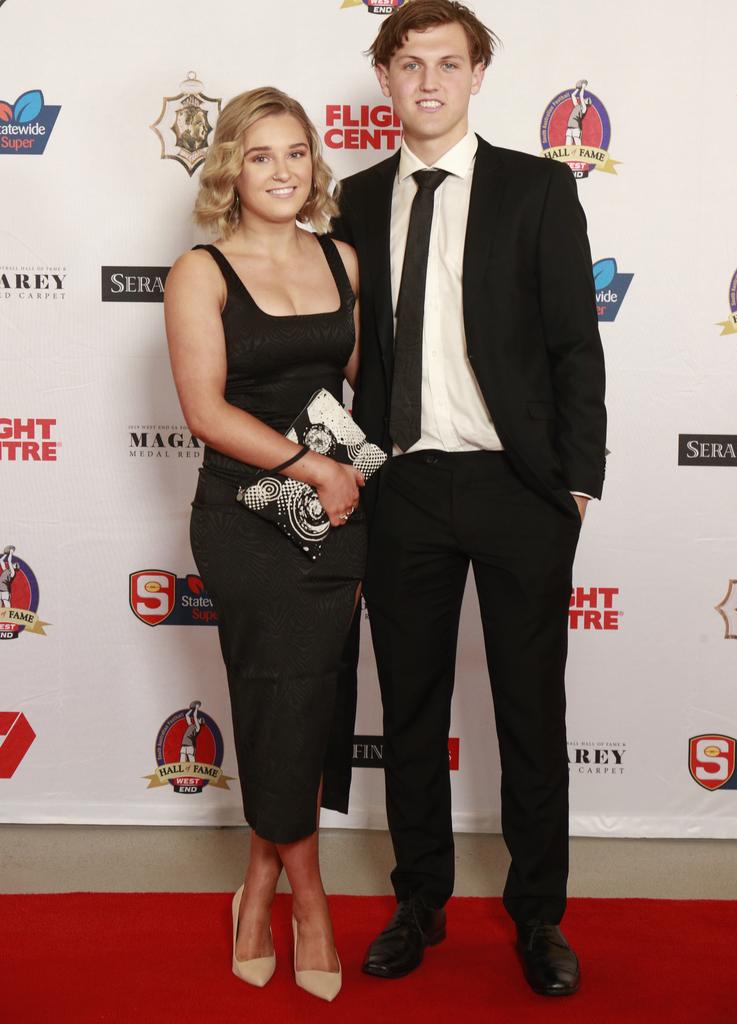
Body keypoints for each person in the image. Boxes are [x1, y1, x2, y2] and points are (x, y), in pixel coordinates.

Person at [331, 0, 606, 997]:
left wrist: (576, 485)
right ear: (387, 78)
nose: (430, 82)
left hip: (518, 489)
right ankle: (421, 902)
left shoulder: (537, 189)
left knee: (532, 710)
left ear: (478, 73)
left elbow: (577, 346)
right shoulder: (355, 201)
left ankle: (539, 915)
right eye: (410, 66)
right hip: (403, 486)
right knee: (410, 708)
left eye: (449, 63)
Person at [164, 87, 366, 1002]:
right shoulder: (200, 271)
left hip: (335, 524)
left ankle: (259, 879)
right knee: (270, 688)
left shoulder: (345, 261)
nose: (282, 172)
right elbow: (205, 411)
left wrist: (343, 476)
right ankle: (309, 893)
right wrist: (305, 467)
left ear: (314, 166)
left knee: (310, 696)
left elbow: (358, 391)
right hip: (243, 518)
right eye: (260, 156)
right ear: (231, 171)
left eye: (296, 154)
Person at [566, 79, 592, 147]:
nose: (585, 99)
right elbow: (573, 95)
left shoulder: (584, 108)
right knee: (567, 148)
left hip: (576, 129)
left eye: (587, 100)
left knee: (578, 148)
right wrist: (578, 88)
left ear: (587, 103)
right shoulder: (577, 106)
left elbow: (581, 96)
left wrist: (583, 87)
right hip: (569, 128)